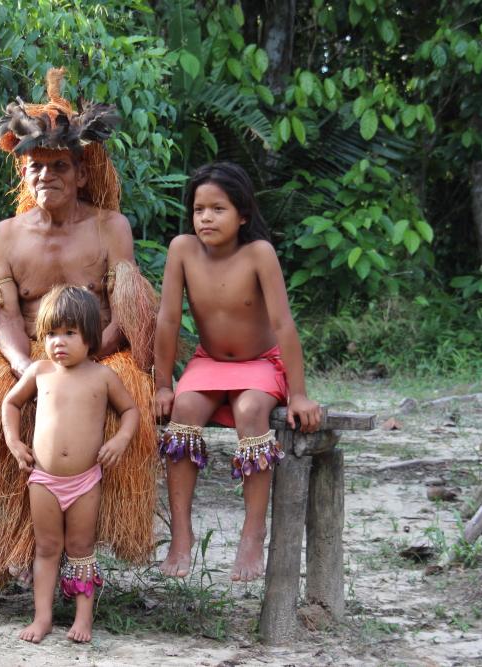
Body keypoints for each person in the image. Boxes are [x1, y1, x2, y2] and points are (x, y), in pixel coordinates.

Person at [0, 68, 158, 583]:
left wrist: (83, 362)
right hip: (22, 352)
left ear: (82, 175)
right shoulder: (5, 235)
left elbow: (124, 310)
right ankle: (10, 544)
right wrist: (27, 365)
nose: (47, 176)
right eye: (36, 168)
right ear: (22, 176)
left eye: (59, 167)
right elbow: (3, 311)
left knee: (99, 398)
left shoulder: (110, 228)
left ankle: (80, 547)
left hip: (97, 353)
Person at [153, 162, 322, 581]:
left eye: (218, 209)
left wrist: (298, 393)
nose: (205, 218)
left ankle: (252, 532)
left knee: (250, 412)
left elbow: (283, 324)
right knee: (184, 411)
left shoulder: (258, 254)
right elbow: (168, 321)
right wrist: (162, 384)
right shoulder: (183, 250)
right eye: (198, 209)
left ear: (243, 214)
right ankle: (181, 533)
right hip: (209, 363)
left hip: (261, 364)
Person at [3, 285, 138, 643]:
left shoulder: (103, 377)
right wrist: (14, 441)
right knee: (46, 548)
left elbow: (130, 411)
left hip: (84, 481)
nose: (58, 342)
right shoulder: (40, 371)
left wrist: (120, 439)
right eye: (50, 333)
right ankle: (42, 617)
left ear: (90, 337)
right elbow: (11, 404)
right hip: (43, 479)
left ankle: (83, 619)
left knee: (81, 549)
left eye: (69, 333)